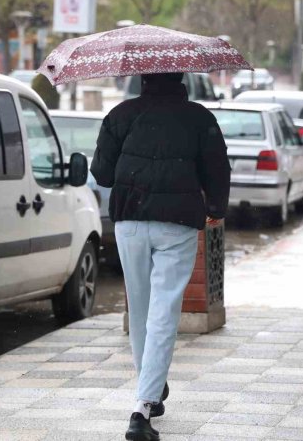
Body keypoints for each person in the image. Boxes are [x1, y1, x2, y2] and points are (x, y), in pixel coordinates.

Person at [91, 72, 230, 441]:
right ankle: (143, 407)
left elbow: (102, 175)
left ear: (142, 78)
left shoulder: (120, 114)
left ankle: (149, 389)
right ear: (181, 77)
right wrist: (215, 206)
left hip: (129, 221)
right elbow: (217, 168)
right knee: (164, 310)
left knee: (140, 307)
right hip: (178, 223)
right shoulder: (200, 117)